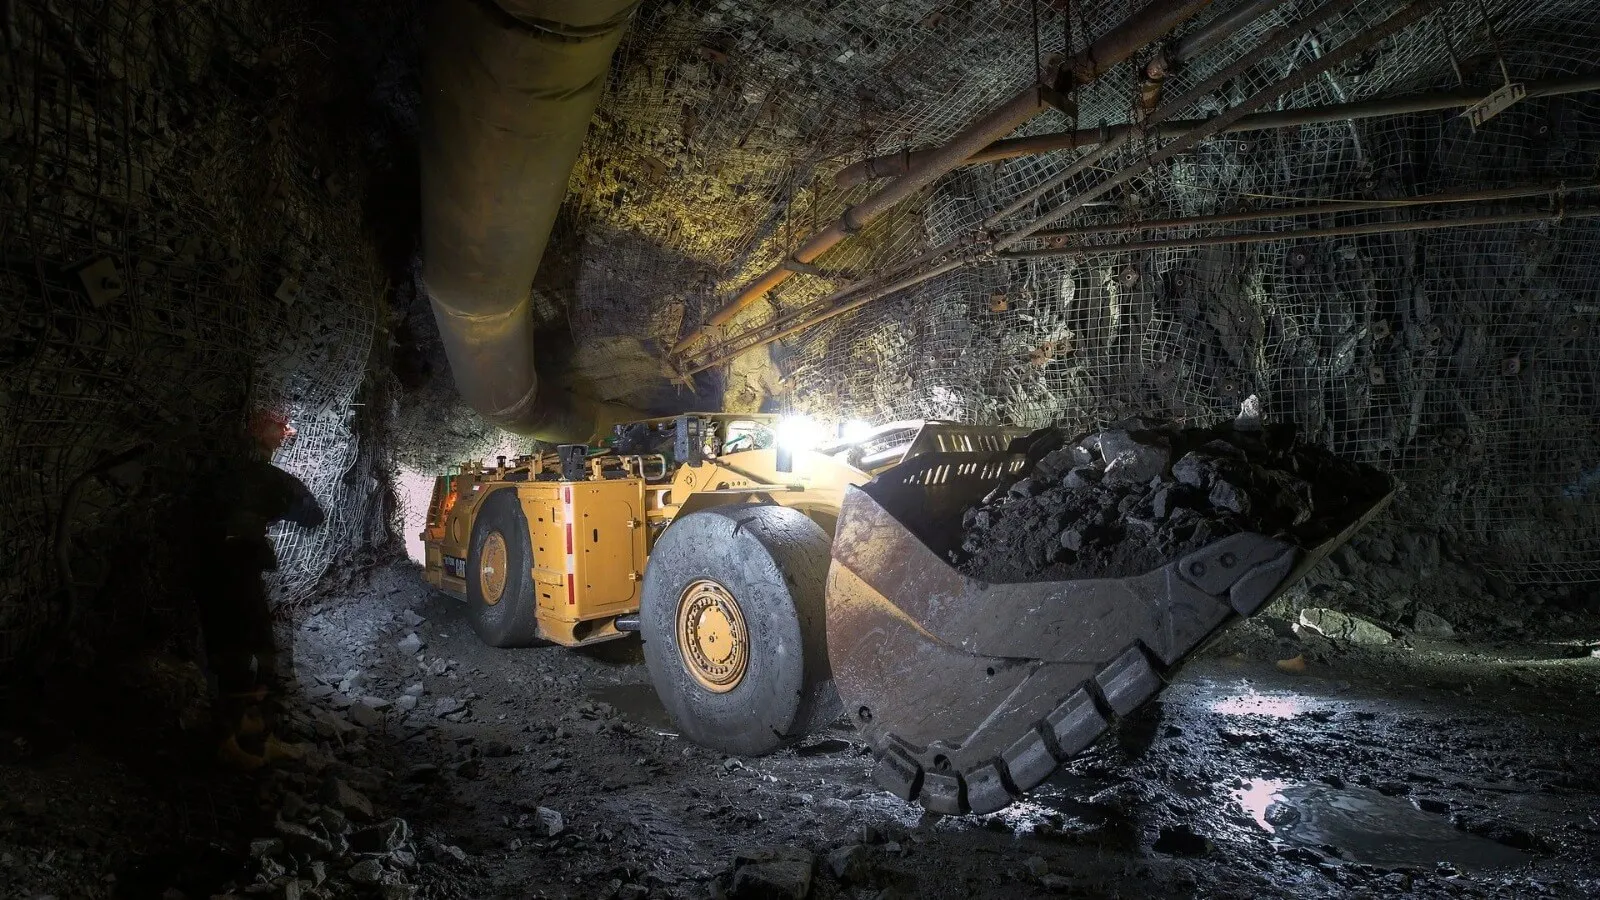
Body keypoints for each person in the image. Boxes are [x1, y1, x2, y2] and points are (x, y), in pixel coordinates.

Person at [194, 407, 323, 770]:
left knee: (230, 648)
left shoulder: (217, 472)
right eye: (278, 427)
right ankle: (243, 742)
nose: (286, 433)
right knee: (254, 650)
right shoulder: (263, 478)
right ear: (256, 432)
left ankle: (242, 736)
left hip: (210, 566)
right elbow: (312, 515)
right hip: (234, 569)